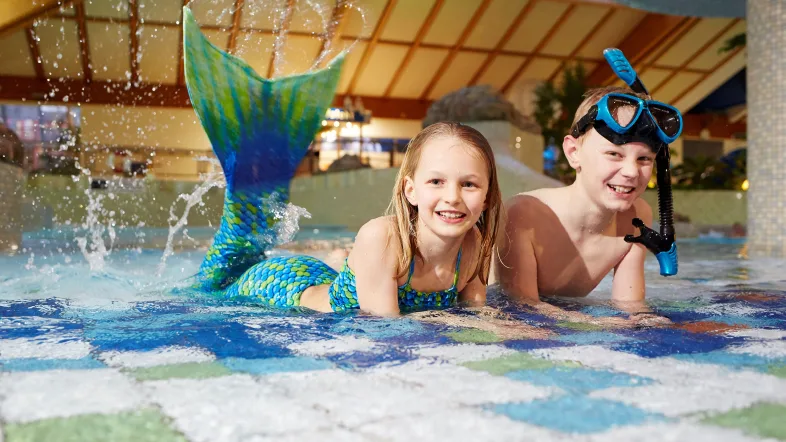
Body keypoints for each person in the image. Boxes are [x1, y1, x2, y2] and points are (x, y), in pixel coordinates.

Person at [182, 7, 543, 337]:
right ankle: (252, 139)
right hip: (279, 288)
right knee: (210, 288)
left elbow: (476, 316)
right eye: (436, 181)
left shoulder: (474, 245)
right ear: (410, 190)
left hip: (331, 276)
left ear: (488, 195)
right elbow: (387, 331)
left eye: (469, 184)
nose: (452, 197)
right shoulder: (383, 238)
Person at [493, 85, 677, 327]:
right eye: (614, 154)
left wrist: (659, 325)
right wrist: (599, 324)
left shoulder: (636, 215)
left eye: (644, 159)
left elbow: (630, 304)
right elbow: (521, 306)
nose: (632, 172)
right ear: (573, 152)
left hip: (562, 317)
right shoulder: (525, 214)